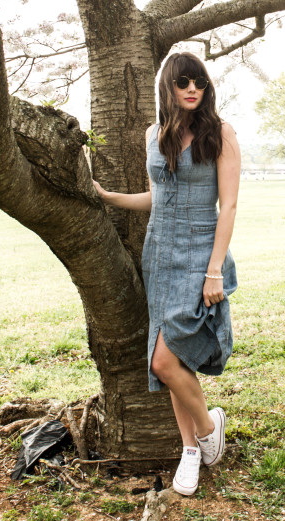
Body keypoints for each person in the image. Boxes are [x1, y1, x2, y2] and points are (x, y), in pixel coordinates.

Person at [93, 52, 240, 496]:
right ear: (168, 88)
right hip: (159, 252)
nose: (191, 88)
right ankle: (190, 450)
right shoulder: (153, 135)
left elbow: (228, 206)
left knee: (164, 358)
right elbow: (160, 198)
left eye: (198, 81)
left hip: (200, 255)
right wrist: (111, 197)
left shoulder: (222, 134)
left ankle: (209, 431)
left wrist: (214, 270)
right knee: (170, 358)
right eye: (182, 82)